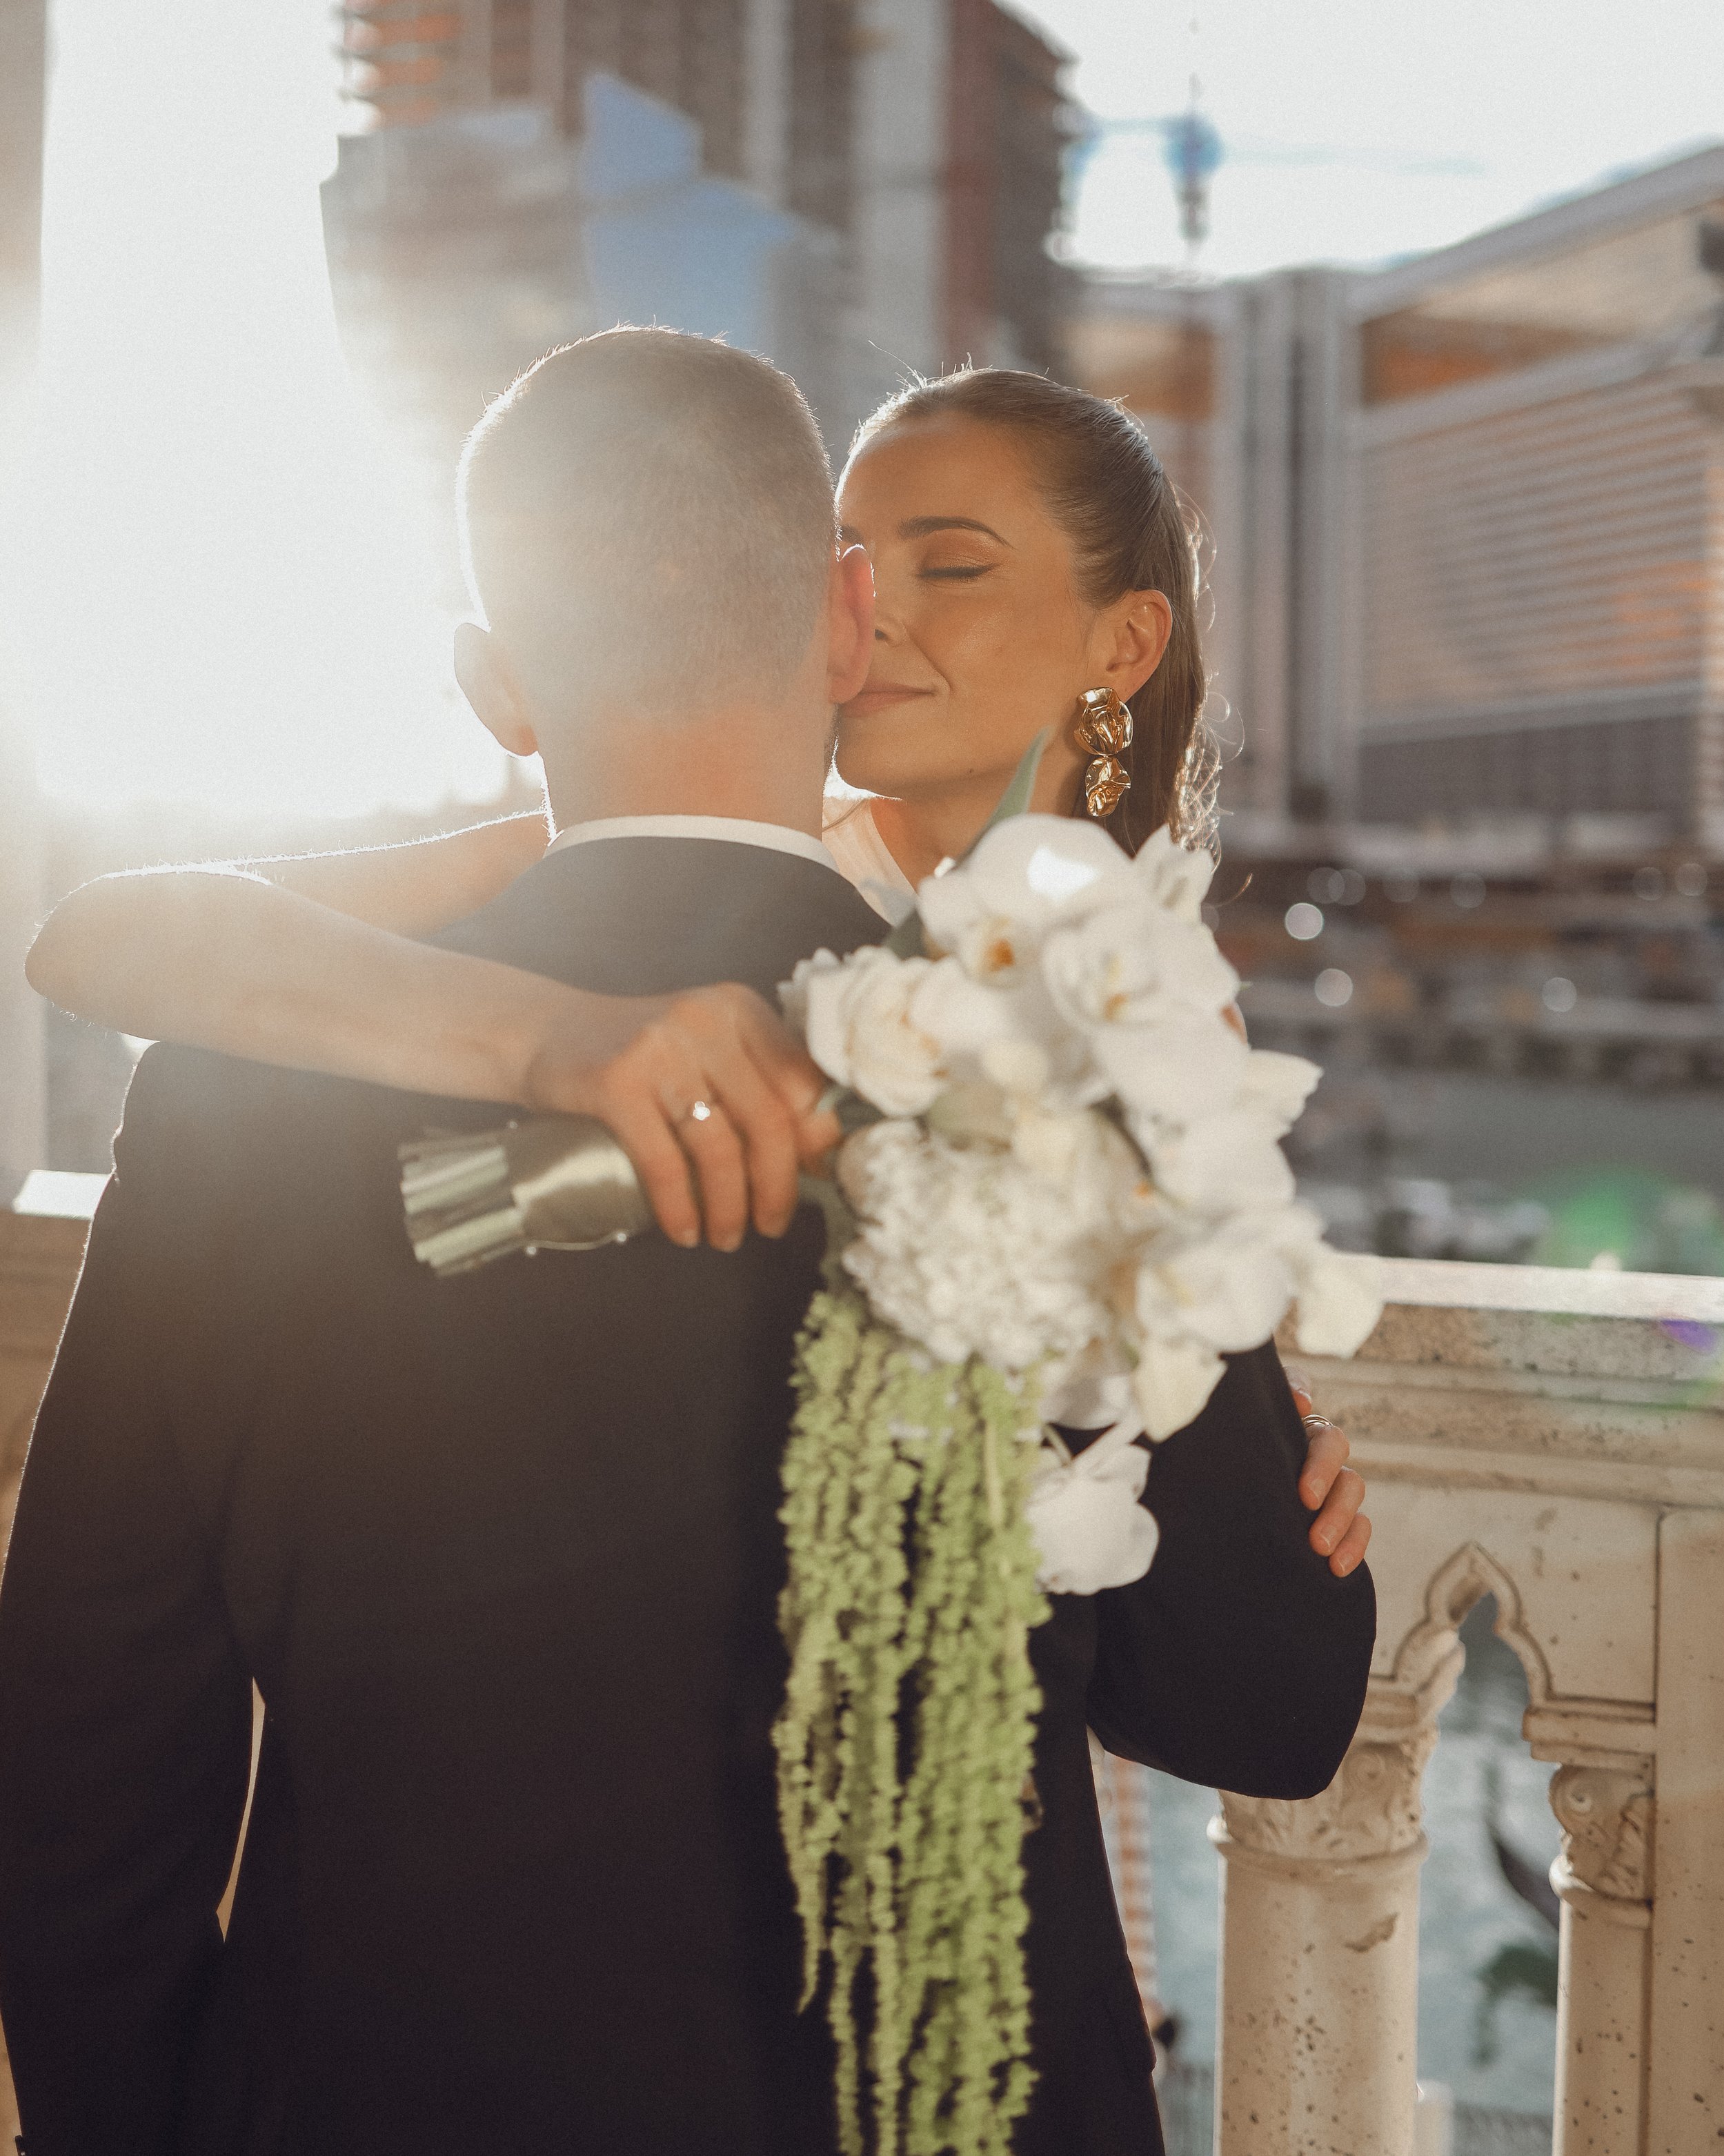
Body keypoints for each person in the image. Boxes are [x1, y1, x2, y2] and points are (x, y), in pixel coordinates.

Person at [0, 333, 1375, 2156]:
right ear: (842, 620)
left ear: (496, 682)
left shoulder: (240, 1092)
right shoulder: (1062, 1069)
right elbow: (1263, 1703)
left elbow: (87, 1746)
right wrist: (1235, 1409)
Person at [24, 366, 1371, 1581]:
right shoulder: (733, 859)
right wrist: (543, 1037)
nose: (876, 610)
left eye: (947, 570)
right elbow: (104, 938)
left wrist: (1242, 1423)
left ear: (1123, 645)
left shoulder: (1145, 1007)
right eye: (848, 559)